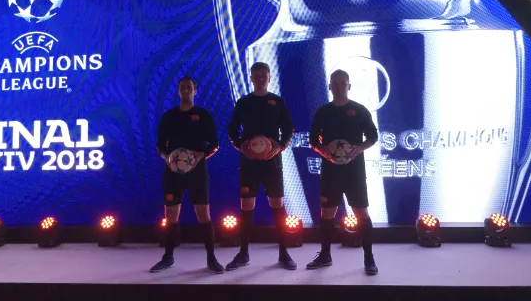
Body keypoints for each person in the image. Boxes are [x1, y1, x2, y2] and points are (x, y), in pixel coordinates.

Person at [225, 62, 297, 271]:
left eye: (263, 75)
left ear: (269, 77)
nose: (260, 79)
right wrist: (241, 145)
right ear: (251, 78)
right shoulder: (243, 102)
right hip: (249, 163)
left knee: (277, 205)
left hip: (272, 162)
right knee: (246, 206)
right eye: (256, 76)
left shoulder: (277, 101)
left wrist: (280, 146)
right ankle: (243, 254)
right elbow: (232, 130)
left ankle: (284, 253)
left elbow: (288, 128)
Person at [307, 69, 379, 275]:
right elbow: (313, 140)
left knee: (361, 213)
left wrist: (360, 147)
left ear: (349, 86)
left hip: (354, 171)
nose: (339, 87)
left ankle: (369, 258)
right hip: (330, 170)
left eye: (342, 83)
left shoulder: (359, 110)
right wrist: (323, 150)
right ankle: (325, 255)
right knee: (327, 212)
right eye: (335, 83)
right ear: (329, 86)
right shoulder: (322, 112)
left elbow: (373, 136)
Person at [150, 76, 224, 274]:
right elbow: (160, 146)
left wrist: (200, 155)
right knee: (171, 215)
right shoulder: (169, 117)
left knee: (203, 214)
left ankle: (211, 258)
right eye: (182, 87)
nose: (185, 90)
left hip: (197, 172)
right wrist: (167, 157)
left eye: (189, 87)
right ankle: (167, 258)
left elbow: (214, 144)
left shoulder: (203, 115)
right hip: (173, 172)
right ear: (178, 91)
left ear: (195, 91)